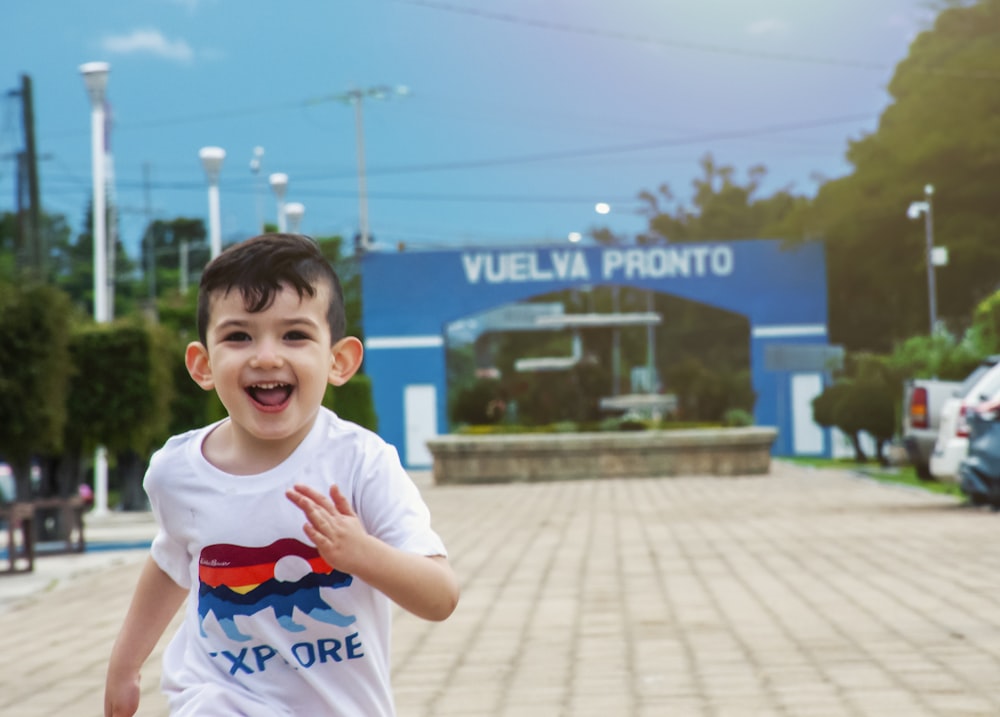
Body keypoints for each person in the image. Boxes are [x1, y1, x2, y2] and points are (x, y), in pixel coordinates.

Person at [105, 233, 459, 717]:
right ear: (203, 365)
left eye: (294, 335)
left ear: (339, 361)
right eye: (238, 336)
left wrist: (362, 554)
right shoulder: (177, 471)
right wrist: (124, 667)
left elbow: (440, 597)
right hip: (217, 696)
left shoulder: (361, 462)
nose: (267, 356)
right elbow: (171, 564)